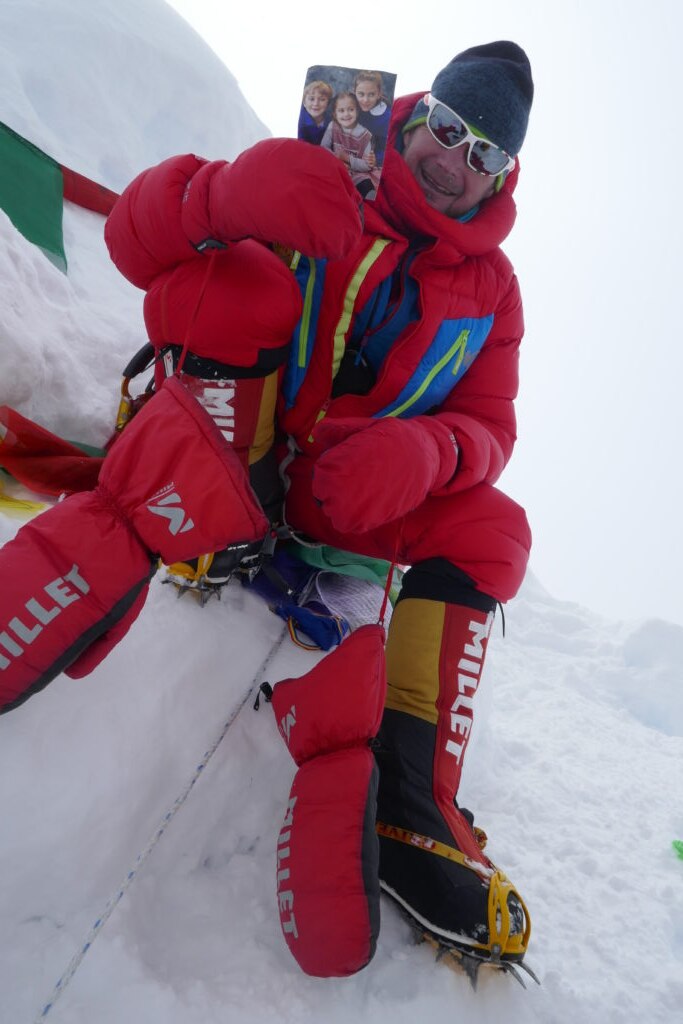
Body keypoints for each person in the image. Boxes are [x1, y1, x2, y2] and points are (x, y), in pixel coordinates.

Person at [0, 41, 535, 978]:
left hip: (347, 504)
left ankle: (414, 804)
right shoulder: (321, 171)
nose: (456, 160)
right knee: (231, 285)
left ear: (504, 173)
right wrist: (220, 200)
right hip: (226, 447)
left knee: (495, 529)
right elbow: (134, 241)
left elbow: (488, 427)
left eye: (484, 153)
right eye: (449, 128)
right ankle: (83, 571)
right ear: (415, 114)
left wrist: (427, 449)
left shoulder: (492, 293)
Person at [320, 91, 379, 198]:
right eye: (341, 111)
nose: (346, 114)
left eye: (351, 109)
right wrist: (336, 159)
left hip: (357, 174)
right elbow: (323, 147)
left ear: (357, 111)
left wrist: (347, 158)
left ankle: (365, 198)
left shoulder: (365, 136)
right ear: (335, 114)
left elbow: (367, 165)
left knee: (366, 184)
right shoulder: (333, 126)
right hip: (337, 170)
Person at [354, 70, 391, 164]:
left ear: (379, 94)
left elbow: (387, 148)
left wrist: (377, 159)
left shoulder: (386, 117)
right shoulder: (351, 106)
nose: (365, 100)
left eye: (371, 94)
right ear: (355, 92)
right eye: (361, 94)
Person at [297, 79, 333, 145]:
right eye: (311, 99)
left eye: (322, 99)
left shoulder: (332, 122)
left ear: (328, 103)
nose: (316, 103)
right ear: (304, 103)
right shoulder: (300, 122)